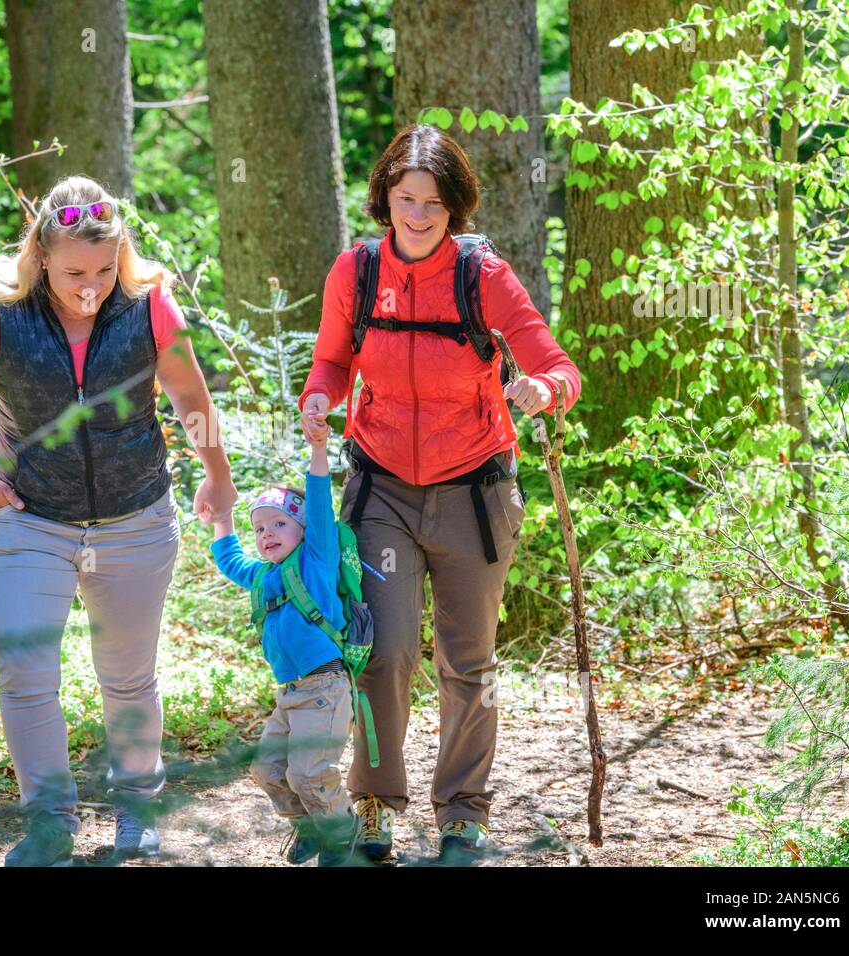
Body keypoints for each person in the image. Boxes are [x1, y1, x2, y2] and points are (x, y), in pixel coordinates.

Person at [298, 123, 581, 863]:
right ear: (385, 199)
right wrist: (318, 398)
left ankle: (462, 813)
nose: (418, 215)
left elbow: (558, 364)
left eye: (433, 202)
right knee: (384, 652)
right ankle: (374, 805)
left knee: (467, 662)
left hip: (473, 492)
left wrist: (544, 386)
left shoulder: (482, 276)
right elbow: (330, 361)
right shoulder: (355, 273)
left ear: (455, 207)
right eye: (405, 198)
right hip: (382, 487)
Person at [0, 175, 238, 866]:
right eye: (75, 271)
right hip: (28, 518)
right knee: (26, 675)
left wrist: (217, 473)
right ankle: (49, 823)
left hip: (134, 517)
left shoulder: (148, 307)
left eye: (105, 270)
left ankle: (139, 810)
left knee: (128, 677)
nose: (90, 286)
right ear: (40, 254)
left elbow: (190, 393)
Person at [202, 413, 359, 866]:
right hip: (289, 694)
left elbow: (316, 504)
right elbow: (231, 561)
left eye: (279, 524)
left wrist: (316, 448)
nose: (267, 533)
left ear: (303, 529)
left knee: (310, 773)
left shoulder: (317, 559)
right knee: (268, 770)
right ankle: (309, 826)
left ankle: (339, 835)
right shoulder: (263, 576)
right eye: (260, 528)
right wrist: (223, 517)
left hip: (325, 689)